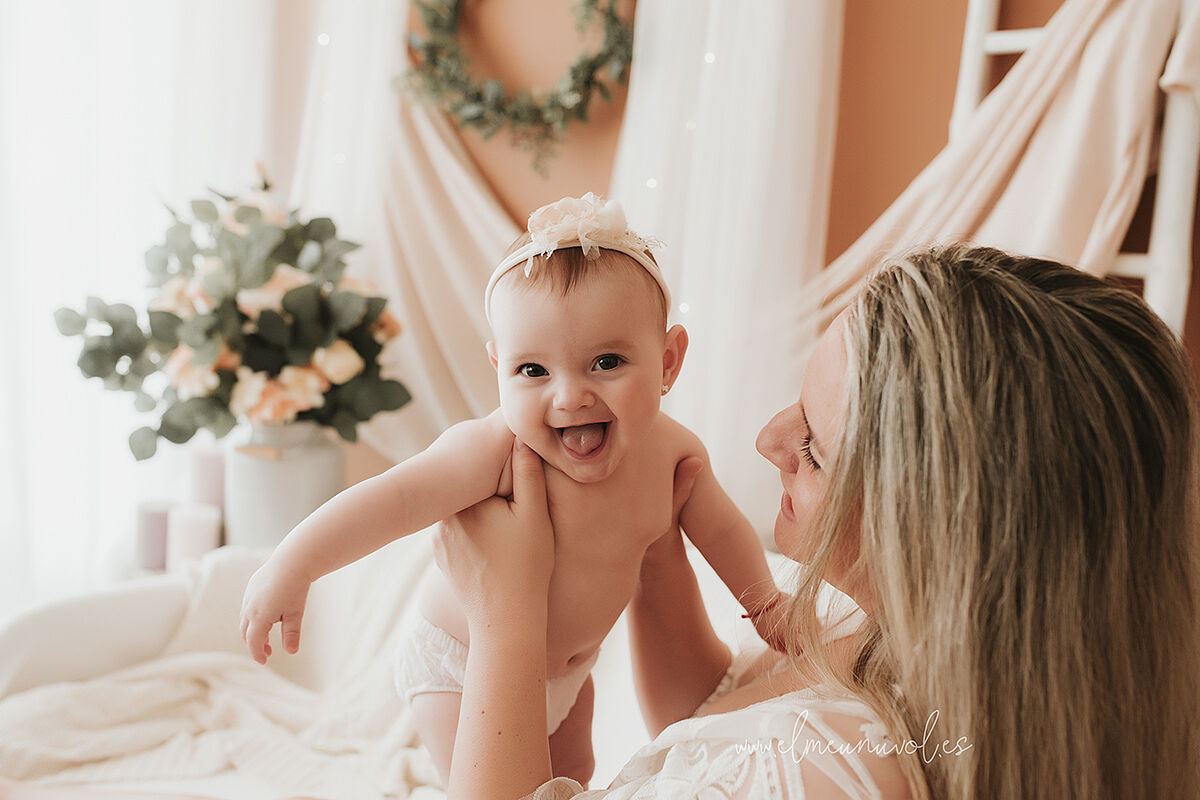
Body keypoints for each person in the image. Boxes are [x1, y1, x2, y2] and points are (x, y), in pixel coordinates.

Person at [432, 245, 1200, 799]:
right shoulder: (904, 631)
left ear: (926, 526)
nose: (767, 439)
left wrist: (506, 615)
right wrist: (658, 546)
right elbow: (709, 713)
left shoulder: (831, 774)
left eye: (813, 447)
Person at [238, 193, 788, 787]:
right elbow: (393, 500)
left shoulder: (675, 454)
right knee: (491, 787)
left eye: (606, 361)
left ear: (668, 362)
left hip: (572, 673)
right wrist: (294, 563)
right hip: (461, 667)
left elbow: (724, 530)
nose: (570, 396)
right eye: (533, 371)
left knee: (574, 775)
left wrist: (768, 606)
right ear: (498, 366)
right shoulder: (493, 452)